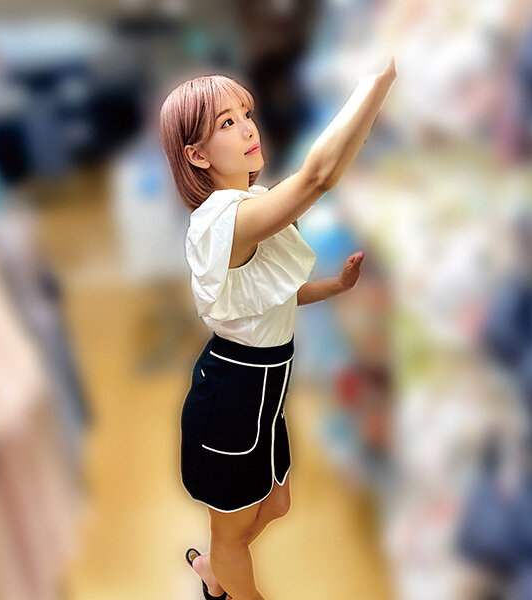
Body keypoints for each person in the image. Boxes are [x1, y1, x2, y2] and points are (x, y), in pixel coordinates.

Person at [159, 57, 396, 600]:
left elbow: (268, 298)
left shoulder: (250, 204)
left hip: (265, 387)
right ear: (196, 155)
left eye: (246, 114)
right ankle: (225, 576)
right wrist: (375, 82)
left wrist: (334, 287)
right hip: (233, 392)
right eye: (226, 123)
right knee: (233, 530)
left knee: (276, 503)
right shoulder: (222, 221)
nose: (248, 128)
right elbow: (317, 177)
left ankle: (217, 566)